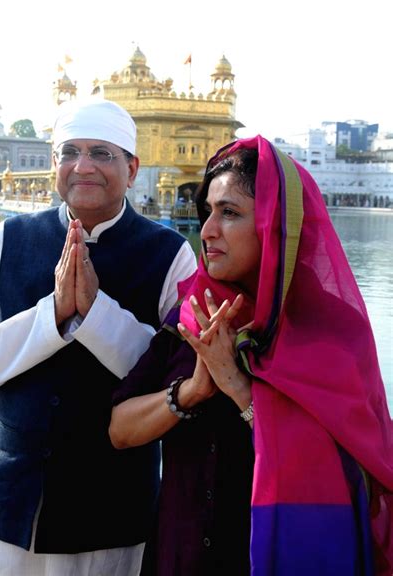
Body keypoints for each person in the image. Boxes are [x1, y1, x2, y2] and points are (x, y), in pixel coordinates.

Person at [109, 135, 393, 575]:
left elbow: (352, 474)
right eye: (208, 212)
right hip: (178, 557)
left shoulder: (327, 331)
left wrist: (241, 390)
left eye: (230, 213)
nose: (206, 230)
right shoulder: (191, 313)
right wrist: (190, 392)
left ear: (274, 225)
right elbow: (119, 429)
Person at [0, 97, 197, 576]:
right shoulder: (8, 239)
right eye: (69, 152)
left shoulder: (171, 256)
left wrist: (98, 314)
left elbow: (176, 385)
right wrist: (53, 316)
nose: (83, 166)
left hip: (107, 520)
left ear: (132, 168)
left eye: (102, 153)